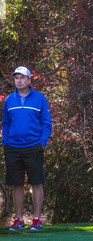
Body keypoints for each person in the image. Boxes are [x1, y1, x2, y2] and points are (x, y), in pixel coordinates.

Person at [2, 66, 52, 231]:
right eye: (16, 77)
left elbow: (47, 123)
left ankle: (37, 219)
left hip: (33, 147)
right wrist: (5, 143)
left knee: (36, 182)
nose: (19, 80)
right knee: (17, 184)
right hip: (13, 148)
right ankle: (18, 219)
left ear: (29, 80)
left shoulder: (40, 98)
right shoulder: (9, 99)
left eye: (22, 77)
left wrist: (42, 143)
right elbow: (6, 123)